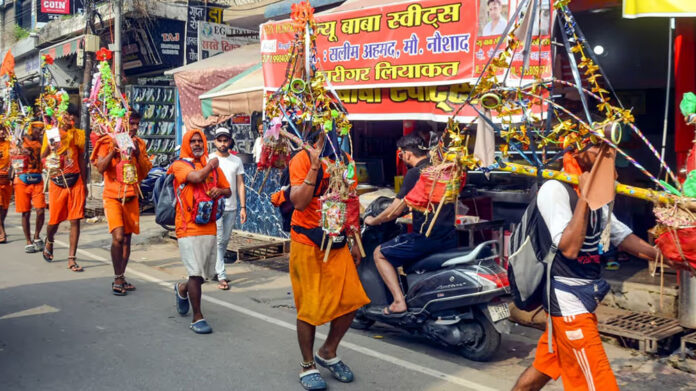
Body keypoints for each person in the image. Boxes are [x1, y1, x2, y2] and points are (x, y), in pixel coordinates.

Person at [511, 145, 683, 391]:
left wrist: (675, 259)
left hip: (586, 297)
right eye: (598, 148)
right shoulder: (554, 189)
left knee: (544, 367)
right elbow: (569, 248)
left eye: (609, 148)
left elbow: (623, 238)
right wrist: (585, 197)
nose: (607, 154)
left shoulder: (597, 196)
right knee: (599, 383)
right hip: (567, 302)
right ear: (577, 151)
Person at [288, 130, 369, 390]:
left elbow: (352, 201)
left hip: (337, 242)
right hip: (307, 242)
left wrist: (355, 240)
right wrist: (314, 165)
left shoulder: (345, 160)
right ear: (317, 129)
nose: (335, 130)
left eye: (338, 124)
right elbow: (299, 203)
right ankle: (307, 364)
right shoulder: (300, 158)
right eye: (328, 123)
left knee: (352, 299)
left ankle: (328, 351)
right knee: (309, 307)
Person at [365, 134, 458, 315]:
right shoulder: (438, 170)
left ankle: (399, 302)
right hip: (448, 235)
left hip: (426, 238)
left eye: (401, 155)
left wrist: (373, 220)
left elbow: (395, 210)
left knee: (380, 254)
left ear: (407, 154)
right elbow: (418, 202)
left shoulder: (416, 173)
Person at [171, 129, 231, 334]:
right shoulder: (180, 164)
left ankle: (182, 289)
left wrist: (220, 191)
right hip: (187, 227)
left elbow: (228, 189)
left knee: (202, 274)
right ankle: (198, 317)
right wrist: (211, 164)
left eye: (200, 141)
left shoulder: (212, 167)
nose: (197, 144)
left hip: (209, 225)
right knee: (196, 273)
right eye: (193, 141)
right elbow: (195, 178)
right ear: (187, 144)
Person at [91, 110, 152, 295]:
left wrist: (137, 153)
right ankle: (117, 277)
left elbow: (145, 171)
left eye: (137, 124)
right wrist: (114, 150)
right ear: (122, 124)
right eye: (131, 123)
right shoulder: (107, 141)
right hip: (112, 196)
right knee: (118, 237)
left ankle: (122, 275)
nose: (134, 128)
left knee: (127, 239)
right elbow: (101, 168)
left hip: (132, 195)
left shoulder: (139, 143)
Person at [41, 109, 87, 272]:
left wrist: (85, 181)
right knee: (54, 220)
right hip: (57, 180)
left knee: (75, 219)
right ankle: (50, 239)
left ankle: (71, 258)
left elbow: (81, 158)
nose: (70, 118)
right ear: (61, 116)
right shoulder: (53, 132)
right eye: (67, 115)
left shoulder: (78, 134)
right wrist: (52, 145)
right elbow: (43, 155)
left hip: (75, 180)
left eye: (73, 116)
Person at [209, 127, 247, 290]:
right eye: (220, 140)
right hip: (214, 206)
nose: (223, 143)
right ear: (215, 141)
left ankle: (214, 269)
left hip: (231, 206)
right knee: (218, 240)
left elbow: (240, 184)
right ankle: (221, 275)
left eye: (225, 140)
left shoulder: (236, 161)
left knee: (224, 240)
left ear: (230, 141)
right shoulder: (209, 159)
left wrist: (243, 207)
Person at [12, 121, 47, 252]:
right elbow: (14, 159)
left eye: (42, 129)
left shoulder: (42, 142)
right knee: (25, 212)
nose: (40, 132)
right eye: (38, 129)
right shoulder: (20, 140)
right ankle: (28, 240)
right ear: (32, 129)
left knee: (40, 210)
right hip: (22, 179)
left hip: (37, 179)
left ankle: (37, 236)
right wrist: (19, 152)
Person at [0, 125, 11, 244]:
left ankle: (1, 225)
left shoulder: (9, 144)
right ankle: (2, 232)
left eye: (3, 130)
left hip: (7, 180)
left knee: (4, 207)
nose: (2, 132)